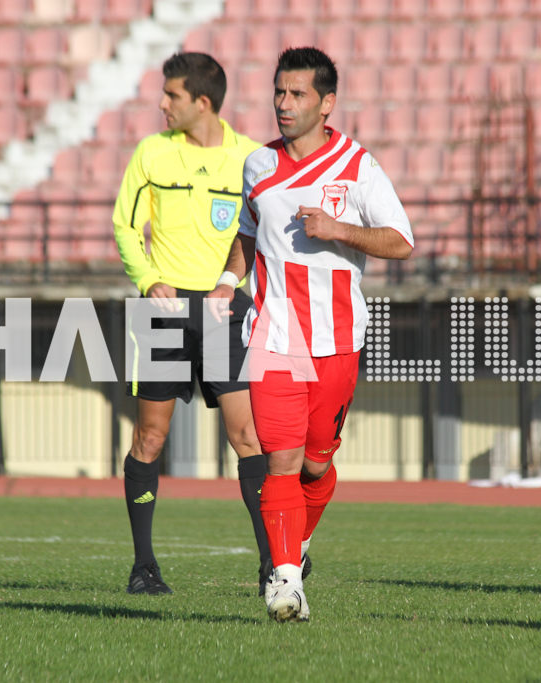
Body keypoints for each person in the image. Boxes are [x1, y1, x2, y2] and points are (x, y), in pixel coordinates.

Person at [209, 47, 414, 622]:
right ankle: (285, 580)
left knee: (317, 465)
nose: (283, 104)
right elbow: (247, 235)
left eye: (297, 94)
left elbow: (400, 240)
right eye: (278, 92)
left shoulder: (358, 166)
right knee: (282, 459)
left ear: (327, 103)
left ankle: (294, 546)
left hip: (339, 341)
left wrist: (340, 230)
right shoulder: (257, 166)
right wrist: (229, 281)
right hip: (274, 336)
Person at [111, 52, 268, 595]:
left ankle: (275, 563)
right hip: (165, 310)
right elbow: (126, 227)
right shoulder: (152, 154)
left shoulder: (251, 159)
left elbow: (256, 237)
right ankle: (143, 567)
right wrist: (149, 279)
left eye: (171, 95)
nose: (162, 103)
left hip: (226, 310)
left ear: (202, 102)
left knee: (246, 434)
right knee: (150, 437)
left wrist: (233, 282)